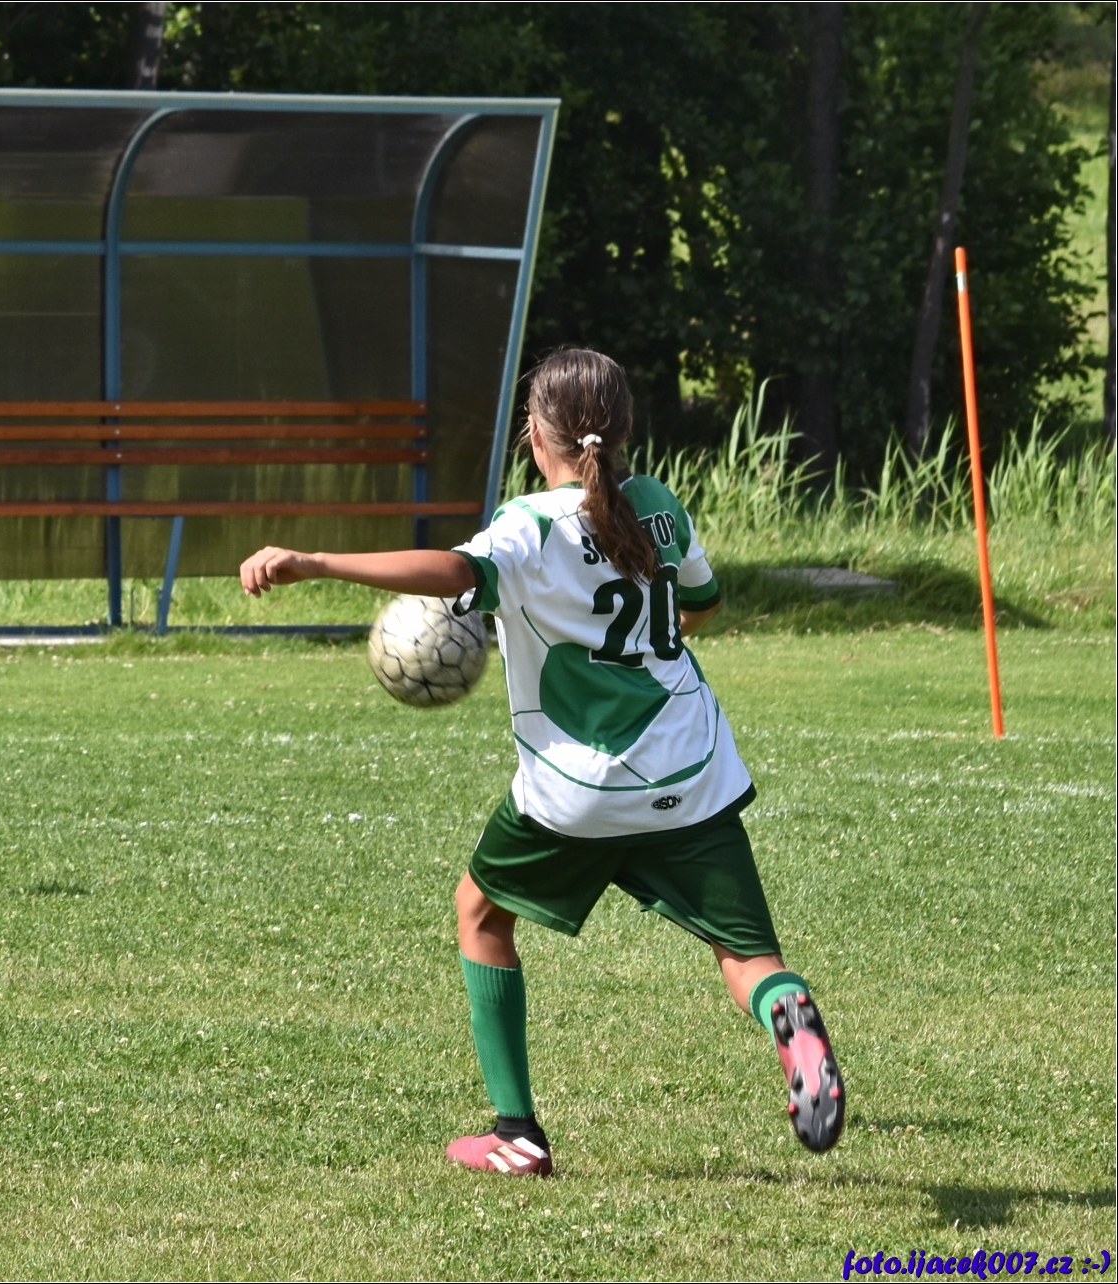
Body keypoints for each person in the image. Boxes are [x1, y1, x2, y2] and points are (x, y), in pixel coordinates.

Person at [238, 348, 842, 1175]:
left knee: (481, 914)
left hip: (580, 789)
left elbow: (456, 571)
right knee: (748, 958)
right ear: (623, 428)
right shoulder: (659, 506)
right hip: (690, 772)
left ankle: (516, 1133)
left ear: (533, 432)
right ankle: (789, 1010)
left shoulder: (530, 524)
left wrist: (316, 563)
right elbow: (700, 604)